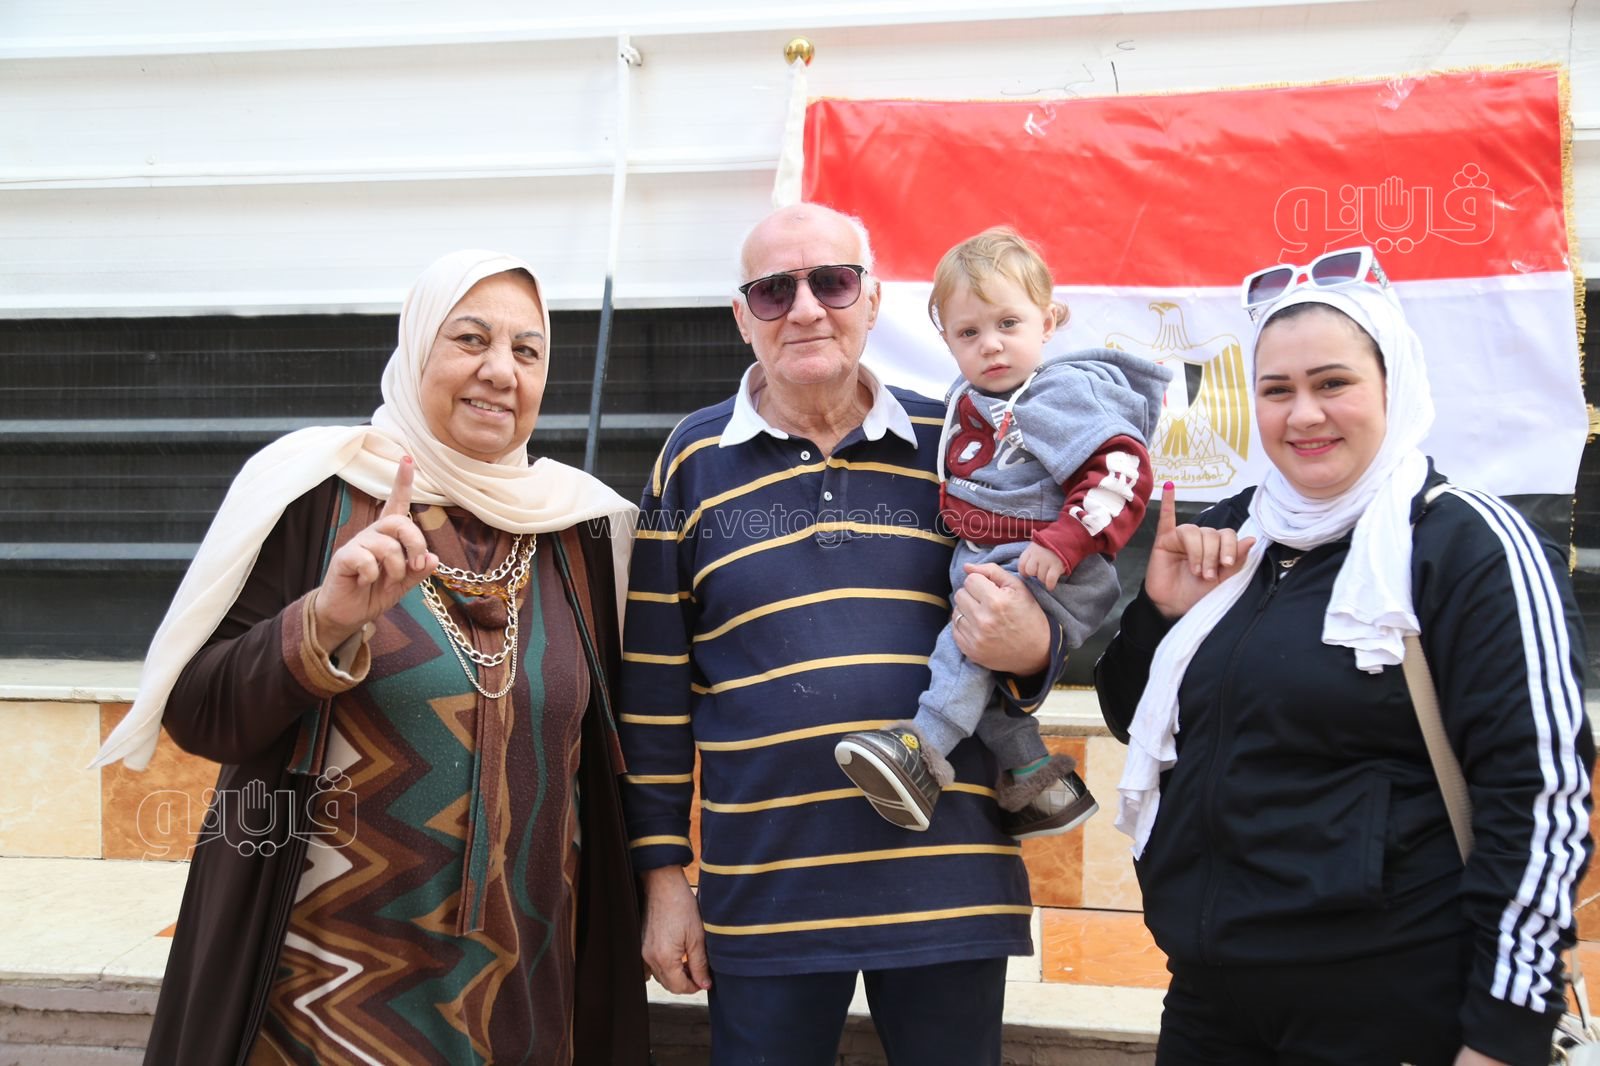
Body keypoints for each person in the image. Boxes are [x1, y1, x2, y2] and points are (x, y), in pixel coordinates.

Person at [92, 250, 649, 1065]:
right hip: (322, 999)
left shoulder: (582, 530)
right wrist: (321, 622)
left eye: (527, 351)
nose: (500, 371)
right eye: (471, 339)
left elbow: (619, 759)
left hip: (520, 998)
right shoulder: (316, 490)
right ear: (416, 348)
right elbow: (201, 711)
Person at [1093, 247, 1593, 1066]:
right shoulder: (1235, 537)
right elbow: (1134, 721)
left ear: (1394, 385)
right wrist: (1161, 617)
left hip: (1395, 1009)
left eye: (1333, 383)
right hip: (1212, 1004)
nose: (1303, 415)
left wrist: (1504, 1032)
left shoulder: (1465, 544)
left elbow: (1538, 795)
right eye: (1276, 390)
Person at [618, 204, 1072, 1066]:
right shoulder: (689, 461)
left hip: (949, 885)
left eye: (831, 282)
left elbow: (1041, 619)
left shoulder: (961, 443)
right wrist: (664, 877)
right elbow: (651, 691)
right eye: (772, 290)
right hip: (768, 895)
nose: (804, 309)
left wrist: (1035, 652)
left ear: (872, 301)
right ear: (741, 316)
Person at [834, 226, 1170, 837]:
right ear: (946, 339)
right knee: (983, 681)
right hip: (1001, 553)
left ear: (1049, 320)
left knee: (964, 647)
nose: (990, 345)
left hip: (1049, 562)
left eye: (1008, 324)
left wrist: (1064, 543)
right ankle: (1040, 783)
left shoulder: (1055, 393)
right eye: (969, 333)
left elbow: (1120, 472)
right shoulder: (970, 396)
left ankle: (921, 752)